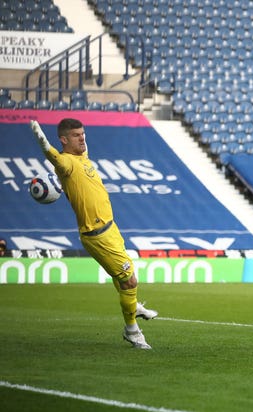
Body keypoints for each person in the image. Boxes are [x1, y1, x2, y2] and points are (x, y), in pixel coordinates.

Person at [30, 119, 158, 349]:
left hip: (111, 227)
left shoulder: (82, 158)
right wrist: (42, 142)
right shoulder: (67, 163)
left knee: (124, 276)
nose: (82, 138)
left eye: (83, 133)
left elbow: (81, 150)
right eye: (77, 135)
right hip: (96, 234)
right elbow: (55, 158)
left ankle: (133, 307)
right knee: (129, 280)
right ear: (64, 140)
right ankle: (132, 331)